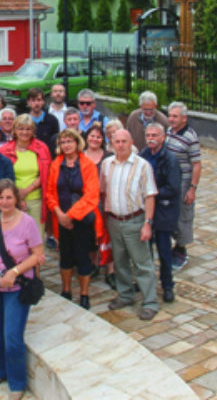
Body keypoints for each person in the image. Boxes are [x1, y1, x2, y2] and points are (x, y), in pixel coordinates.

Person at [0, 179, 44, 399]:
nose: (5, 202)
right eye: (1, 198)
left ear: (16, 198)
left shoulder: (27, 223)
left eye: (9, 197)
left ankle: (17, 383)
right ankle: (0, 371)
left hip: (16, 288)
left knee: (12, 335)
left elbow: (37, 255)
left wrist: (14, 272)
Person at [100, 129, 159, 321]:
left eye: (124, 141)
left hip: (135, 220)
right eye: (117, 142)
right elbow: (102, 191)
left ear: (131, 142)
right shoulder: (107, 165)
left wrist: (147, 223)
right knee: (120, 261)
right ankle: (125, 294)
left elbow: (149, 195)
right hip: (114, 221)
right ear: (112, 143)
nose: (120, 145)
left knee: (142, 263)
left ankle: (149, 301)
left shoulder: (142, 166)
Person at [46, 129, 100, 309]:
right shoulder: (56, 164)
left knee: (83, 256)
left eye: (70, 141)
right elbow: (50, 194)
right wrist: (60, 214)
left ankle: (84, 294)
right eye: (63, 142)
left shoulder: (87, 165)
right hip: (61, 219)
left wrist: (70, 215)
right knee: (65, 256)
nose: (67, 145)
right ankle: (66, 290)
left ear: (77, 143)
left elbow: (91, 196)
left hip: (81, 220)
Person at [140, 123, 181, 304]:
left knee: (164, 251)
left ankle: (167, 285)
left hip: (164, 210)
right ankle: (147, 283)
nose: (151, 138)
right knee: (145, 251)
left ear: (163, 137)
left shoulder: (170, 159)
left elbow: (173, 187)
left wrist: (151, 193)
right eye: (148, 135)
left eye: (155, 135)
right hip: (147, 209)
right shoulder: (143, 155)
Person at [0, 114, 51, 240]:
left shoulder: (42, 148)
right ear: (15, 130)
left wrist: (27, 190)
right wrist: (18, 196)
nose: (24, 132)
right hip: (11, 201)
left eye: (28, 129)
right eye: (21, 128)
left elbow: (47, 173)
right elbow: (2, 177)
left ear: (33, 131)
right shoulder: (4, 150)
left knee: (36, 239)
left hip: (35, 199)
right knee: (14, 240)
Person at [166, 102, 202, 271]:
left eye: (175, 116)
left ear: (184, 118)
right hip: (169, 181)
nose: (171, 119)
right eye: (170, 115)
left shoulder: (190, 136)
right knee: (170, 214)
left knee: (183, 215)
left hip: (183, 182)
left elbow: (196, 164)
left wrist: (192, 188)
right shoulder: (169, 132)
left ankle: (181, 250)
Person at [83, 123, 115, 290]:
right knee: (90, 235)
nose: (94, 139)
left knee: (107, 236)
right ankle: (94, 263)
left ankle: (110, 270)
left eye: (98, 136)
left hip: (105, 201)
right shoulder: (80, 156)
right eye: (92, 136)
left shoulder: (109, 157)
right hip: (87, 202)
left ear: (102, 139)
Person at [26, 88, 59, 153]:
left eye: (39, 100)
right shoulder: (23, 120)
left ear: (43, 101)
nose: (36, 103)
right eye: (33, 100)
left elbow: (56, 142)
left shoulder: (52, 120)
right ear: (28, 102)